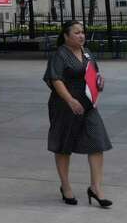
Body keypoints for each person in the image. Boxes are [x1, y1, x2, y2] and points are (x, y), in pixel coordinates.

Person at [44, 19, 113, 208]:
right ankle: (65, 186)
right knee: (63, 145)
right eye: (76, 32)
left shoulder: (87, 52)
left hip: (88, 104)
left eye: (82, 32)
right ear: (66, 36)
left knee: (97, 141)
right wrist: (70, 100)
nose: (81, 35)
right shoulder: (60, 54)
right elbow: (55, 79)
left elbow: (94, 73)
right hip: (65, 105)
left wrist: (100, 81)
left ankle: (96, 188)